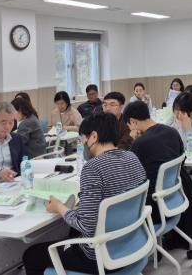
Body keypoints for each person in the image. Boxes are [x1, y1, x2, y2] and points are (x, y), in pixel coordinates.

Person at [22, 113, 146, 275]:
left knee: (31, 255)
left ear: (93, 136)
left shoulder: (93, 167)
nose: (83, 143)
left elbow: (86, 225)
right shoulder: (132, 157)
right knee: (71, 233)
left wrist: (59, 207)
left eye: (83, 138)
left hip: (100, 257)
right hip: (132, 243)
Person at [124, 101, 192, 245]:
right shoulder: (171, 131)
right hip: (177, 194)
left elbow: (130, 175)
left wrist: (134, 140)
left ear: (133, 122)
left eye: (129, 126)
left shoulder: (139, 144)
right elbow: (182, 159)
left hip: (154, 205)